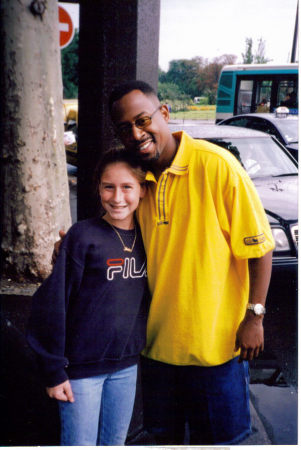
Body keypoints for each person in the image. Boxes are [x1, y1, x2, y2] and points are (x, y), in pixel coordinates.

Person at [54, 80, 275, 445]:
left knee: (221, 441)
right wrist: (72, 244)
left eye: (143, 120)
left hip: (216, 352)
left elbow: (260, 247)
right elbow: (113, 231)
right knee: (164, 440)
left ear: (165, 113)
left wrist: (255, 316)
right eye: (125, 129)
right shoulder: (140, 182)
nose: (137, 133)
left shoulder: (217, 166)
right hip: (156, 352)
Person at [27, 150, 149, 446]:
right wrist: (54, 372)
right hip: (81, 372)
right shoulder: (83, 236)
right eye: (108, 187)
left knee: (114, 443)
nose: (117, 197)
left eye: (127, 187)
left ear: (142, 190)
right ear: (98, 188)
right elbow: (51, 306)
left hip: (126, 367)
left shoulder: (151, 238)